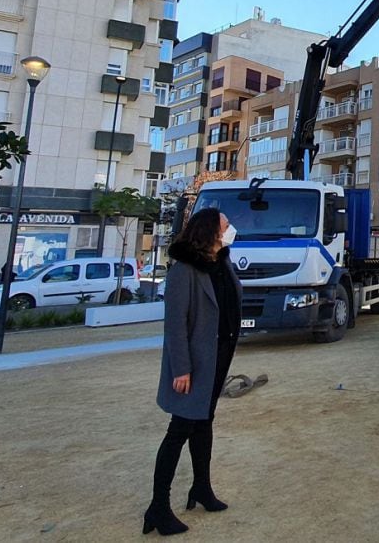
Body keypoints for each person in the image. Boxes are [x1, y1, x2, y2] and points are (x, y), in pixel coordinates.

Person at [145, 208, 242, 536]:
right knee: (179, 430)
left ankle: (201, 488)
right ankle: (158, 507)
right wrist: (182, 368)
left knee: (204, 424)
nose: (231, 229)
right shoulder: (184, 270)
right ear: (211, 231)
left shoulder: (221, 262)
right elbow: (175, 324)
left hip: (218, 358)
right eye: (226, 225)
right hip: (195, 364)